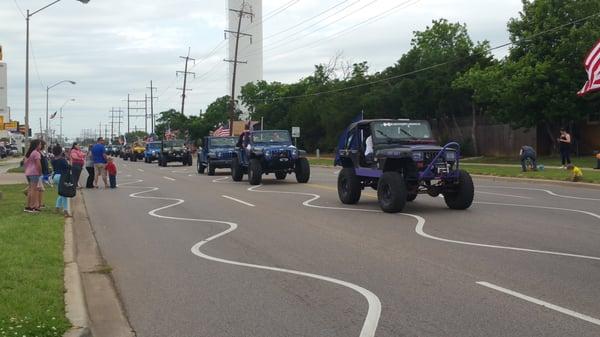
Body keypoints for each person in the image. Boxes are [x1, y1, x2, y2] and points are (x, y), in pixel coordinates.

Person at [51, 145, 72, 217]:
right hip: (62, 177)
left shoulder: (53, 160)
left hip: (55, 177)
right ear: (60, 152)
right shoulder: (63, 160)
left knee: (61, 193)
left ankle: (57, 208)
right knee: (64, 194)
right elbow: (68, 167)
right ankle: (66, 210)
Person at [23, 139, 42, 213]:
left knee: (30, 190)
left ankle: (28, 206)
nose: (40, 146)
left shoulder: (29, 153)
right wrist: (40, 172)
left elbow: (24, 163)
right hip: (34, 173)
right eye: (40, 144)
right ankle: (33, 207)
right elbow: (38, 164)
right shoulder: (36, 153)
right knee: (34, 190)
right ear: (37, 145)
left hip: (28, 173)